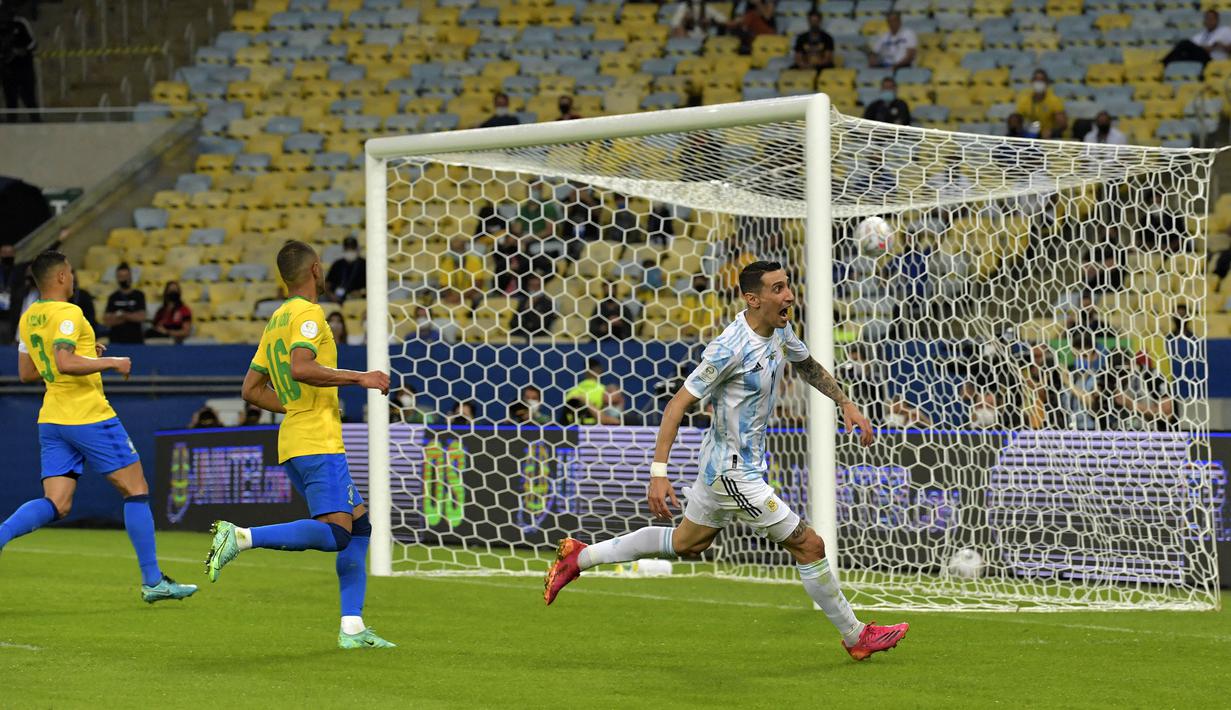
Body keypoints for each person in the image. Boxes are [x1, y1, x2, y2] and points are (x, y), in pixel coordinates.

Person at [543, 260, 908, 661]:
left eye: (788, 286)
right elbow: (676, 405)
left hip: (725, 464)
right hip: (732, 472)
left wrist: (846, 404)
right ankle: (857, 636)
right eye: (777, 289)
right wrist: (658, 473)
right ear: (752, 299)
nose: (788, 296)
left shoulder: (780, 330)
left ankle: (580, 556)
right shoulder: (730, 347)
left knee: (686, 543)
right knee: (809, 544)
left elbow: (805, 365)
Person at [206, 239, 395, 649]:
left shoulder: (276, 320)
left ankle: (353, 627)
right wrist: (360, 377)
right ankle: (241, 537)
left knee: (360, 527)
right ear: (314, 270)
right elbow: (302, 367)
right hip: (316, 439)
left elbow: (251, 390)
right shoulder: (309, 315)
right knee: (339, 535)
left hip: (297, 435)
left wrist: (293, 405)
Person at [2, 250, 196, 602]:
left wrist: (88, 354)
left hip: (52, 419)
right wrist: (111, 361)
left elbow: (28, 372)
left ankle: (1, 536)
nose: (73, 278)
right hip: (88, 414)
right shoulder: (69, 312)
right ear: (61, 277)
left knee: (57, 503)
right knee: (135, 488)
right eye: (72, 272)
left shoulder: (29, 317)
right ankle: (153, 581)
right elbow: (63, 360)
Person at [0, 5, 39, 123]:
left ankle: (37, 124)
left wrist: (22, 50)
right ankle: (11, 126)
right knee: (11, 102)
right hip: (7, 72)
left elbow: (34, 44)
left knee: (29, 99)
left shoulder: (21, 23)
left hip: (24, 70)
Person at [1015, 69, 1067, 140]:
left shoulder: (1054, 100)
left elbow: (1063, 125)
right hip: (1030, 133)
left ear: (1047, 83)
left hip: (1047, 136)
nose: (1038, 82)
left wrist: (1052, 131)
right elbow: (1017, 118)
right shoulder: (1024, 99)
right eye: (1036, 79)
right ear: (1032, 82)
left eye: (1042, 80)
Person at [103, 263, 146, 344]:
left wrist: (122, 315)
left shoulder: (139, 295)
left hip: (135, 340)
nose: (124, 279)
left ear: (130, 276)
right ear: (117, 278)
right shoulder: (113, 297)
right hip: (116, 340)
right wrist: (130, 317)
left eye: (126, 276)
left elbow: (141, 317)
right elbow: (108, 321)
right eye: (121, 276)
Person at [509, 273, 556, 340]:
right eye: (531, 286)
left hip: (538, 334)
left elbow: (543, 324)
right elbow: (513, 323)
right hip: (520, 333)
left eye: (537, 286)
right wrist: (525, 308)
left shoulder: (548, 303)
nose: (534, 289)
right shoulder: (523, 302)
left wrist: (530, 309)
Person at [324, 236, 365, 302]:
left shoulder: (364, 264)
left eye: (352, 249)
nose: (350, 251)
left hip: (357, 299)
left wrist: (361, 292)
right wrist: (330, 295)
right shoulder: (337, 264)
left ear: (357, 249)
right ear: (344, 249)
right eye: (347, 249)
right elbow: (327, 284)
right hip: (335, 297)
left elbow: (373, 286)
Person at [0, 242, 17, 342]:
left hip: (11, 319)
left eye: (10, 252)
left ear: (14, 254)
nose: (7, 255)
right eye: (4, 252)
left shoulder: (18, 271)